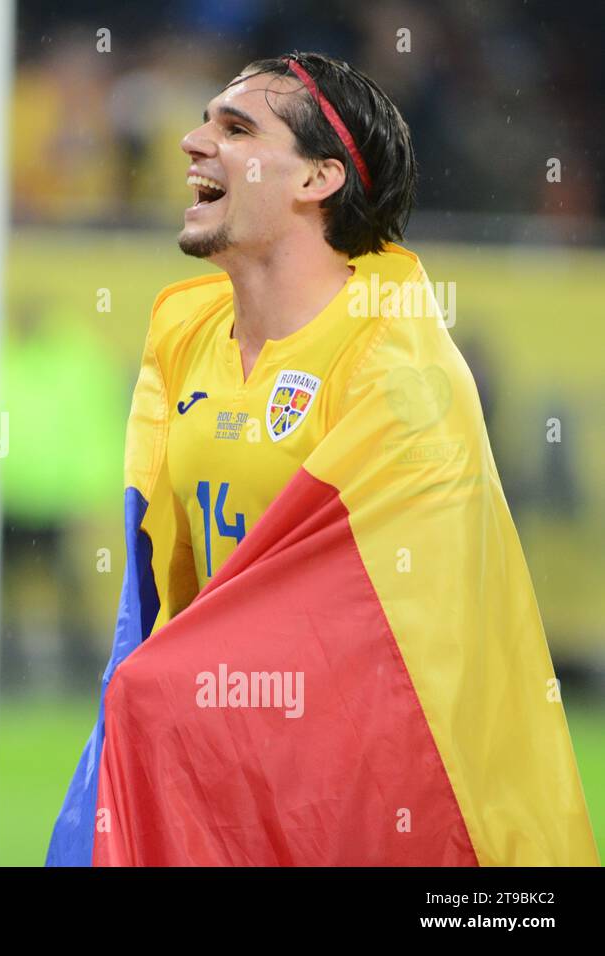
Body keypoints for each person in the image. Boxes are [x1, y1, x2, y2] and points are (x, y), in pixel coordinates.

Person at [47, 52, 598, 866]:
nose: (195, 142)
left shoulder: (396, 367)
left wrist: (177, 690)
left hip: (359, 795)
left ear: (318, 180)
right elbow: (177, 594)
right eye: (206, 120)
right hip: (231, 768)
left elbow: (405, 650)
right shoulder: (187, 342)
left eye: (236, 129)